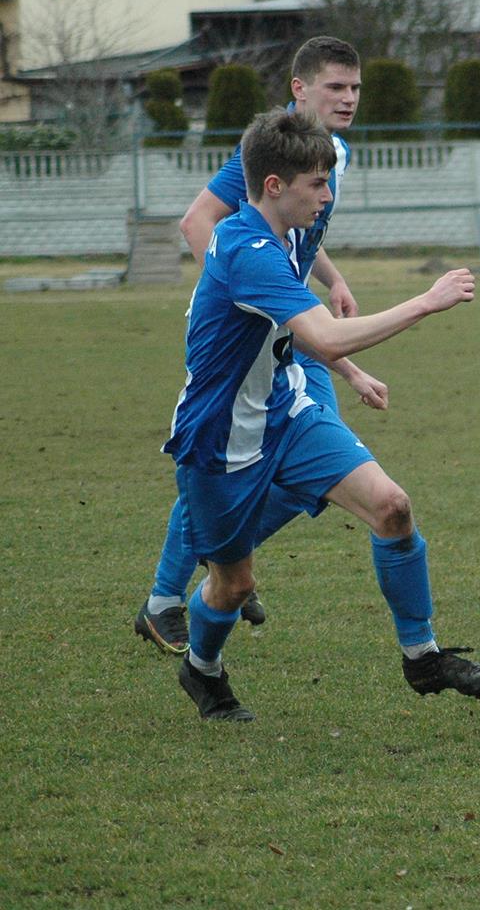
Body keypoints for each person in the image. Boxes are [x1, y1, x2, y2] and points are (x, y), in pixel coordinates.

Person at [165, 108, 480, 721]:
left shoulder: (287, 234)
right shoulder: (249, 249)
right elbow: (323, 336)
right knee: (231, 585)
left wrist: (349, 375)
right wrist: (427, 302)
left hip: (284, 413)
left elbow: (289, 335)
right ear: (275, 186)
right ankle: (202, 668)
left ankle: (422, 656)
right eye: (317, 184)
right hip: (218, 442)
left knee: (392, 507)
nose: (327, 195)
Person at [134, 36, 384, 654]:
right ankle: (171, 598)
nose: (348, 99)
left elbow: (295, 225)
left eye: (354, 88)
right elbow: (199, 223)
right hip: (268, 328)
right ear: (300, 90)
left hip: (290, 323)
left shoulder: (328, 153)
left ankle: (224, 570)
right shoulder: (270, 149)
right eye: (335, 87)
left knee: (288, 459)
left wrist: (331, 277)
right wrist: (246, 297)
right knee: (226, 454)